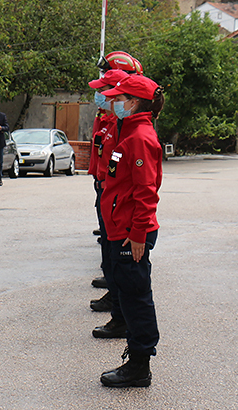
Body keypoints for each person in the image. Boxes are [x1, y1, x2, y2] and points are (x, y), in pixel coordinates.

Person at [98, 74, 164, 388]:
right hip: (120, 228)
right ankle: (137, 359)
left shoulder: (140, 137)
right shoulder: (129, 131)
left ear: (134, 102)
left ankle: (140, 365)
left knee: (137, 296)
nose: (112, 102)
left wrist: (138, 233)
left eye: (118, 98)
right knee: (127, 291)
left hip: (130, 233)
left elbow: (147, 192)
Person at [88, 68, 128, 327]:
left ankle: (119, 311)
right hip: (104, 188)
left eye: (103, 91)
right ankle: (114, 297)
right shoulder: (109, 120)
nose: (99, 95)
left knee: (116, 254)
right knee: (108, 247)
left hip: (112, 194)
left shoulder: (120, 125)